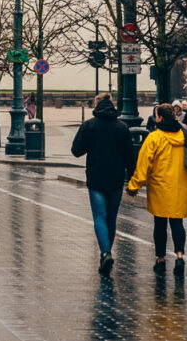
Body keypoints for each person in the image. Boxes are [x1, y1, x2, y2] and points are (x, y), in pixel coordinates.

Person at [128, 102, 187, 274]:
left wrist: (134, 185)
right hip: (180, 184)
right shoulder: (185, 135)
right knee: (177, 222)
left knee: (160, 224)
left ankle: (160, 258)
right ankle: (179, 256)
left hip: (160, 185)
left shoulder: (154, 138)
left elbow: (144, 164)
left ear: (160, 118)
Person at [72, 94, 133, 274]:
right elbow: (130, 157)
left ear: (96, 105)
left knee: (99, 216)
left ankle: (105, 253)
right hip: (116, 178)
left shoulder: (89, 125)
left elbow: (76, 150)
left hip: (96, 178)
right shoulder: (122, 127)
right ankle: (106, 253)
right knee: (111, 218)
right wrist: (132, 180)